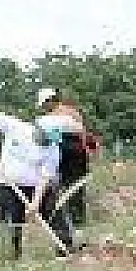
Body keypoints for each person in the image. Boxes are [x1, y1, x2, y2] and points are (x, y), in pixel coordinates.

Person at [0, 108, 72, 257]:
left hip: (35, 186)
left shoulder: (54, 149)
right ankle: (11, 254)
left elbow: (45, 178)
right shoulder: (16, 127)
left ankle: (64, 248)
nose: (48, 142)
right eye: (46, 138)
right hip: (7, 184)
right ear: (38, 130)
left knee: (54, 210)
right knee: (12, 219)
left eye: (51, 140)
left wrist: (35, 204)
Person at [37, 87, 93, 228]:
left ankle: (69, 221)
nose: (44, 108)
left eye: (44, 104)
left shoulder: (55, 117)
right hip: (78, 153)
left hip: (67, 153)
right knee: (75, 189)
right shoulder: (73, 112)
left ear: (49, 101)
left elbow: (54, 138)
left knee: (66, 189)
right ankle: (73, 219)